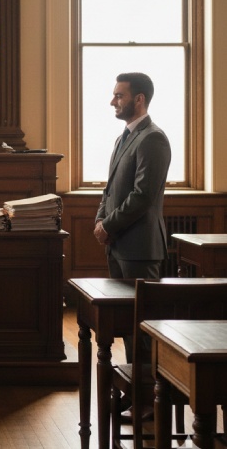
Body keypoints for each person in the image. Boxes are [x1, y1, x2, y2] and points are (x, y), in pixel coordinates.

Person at [94, 72, 171, 365]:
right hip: (117, 244)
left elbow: (142, 196)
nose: (112, 101)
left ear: (139, 99)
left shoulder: (153, 138)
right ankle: (133, 391)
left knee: (142, 327)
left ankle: (149, 401)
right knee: (127, 323)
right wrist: (101, 221)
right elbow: (111, 188)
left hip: (140, 248)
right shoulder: (123, 137)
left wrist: (108, 225)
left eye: (119, 95)